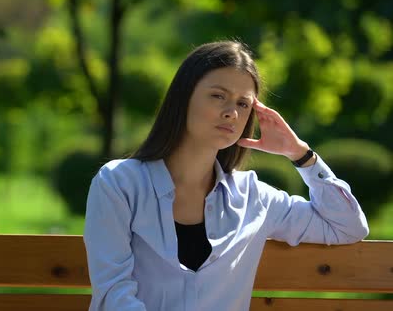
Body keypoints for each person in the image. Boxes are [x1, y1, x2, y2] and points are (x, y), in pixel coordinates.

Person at [83, 40, 369, 311]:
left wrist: (301, 155)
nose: (231, 112)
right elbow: (113, 294)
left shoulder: (254, 198)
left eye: (243, 104)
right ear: (183, 99)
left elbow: (347, 226)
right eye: (218, 96)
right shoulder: (118, 183)